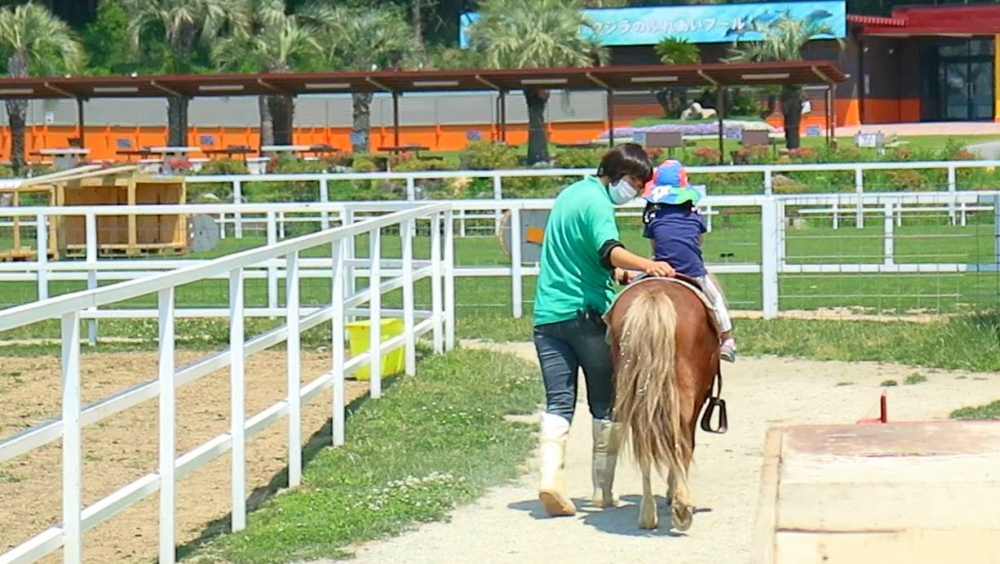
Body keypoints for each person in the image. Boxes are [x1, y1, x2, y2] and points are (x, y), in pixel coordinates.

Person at [532, 143, 675, 518]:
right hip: (587, 315)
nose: (636, 191)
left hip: (547, 316)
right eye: (635, 183)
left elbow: (580, 254)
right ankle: (602, 490)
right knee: (605, 401)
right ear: (618, 174)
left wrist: (617, 272)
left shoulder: (570, 194)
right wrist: (648, 265)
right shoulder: (598, 204)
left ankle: (550, 478)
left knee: (558, 402)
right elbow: (608, 248)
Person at [640, 159, 737, 363]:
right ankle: (727, 339)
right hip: (693, 271)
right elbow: (698, 241)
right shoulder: (694, 216)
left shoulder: (652, 216)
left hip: (662, 271)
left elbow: (655, 247)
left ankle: (613, 333)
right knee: (715, 299)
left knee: (633, 290)